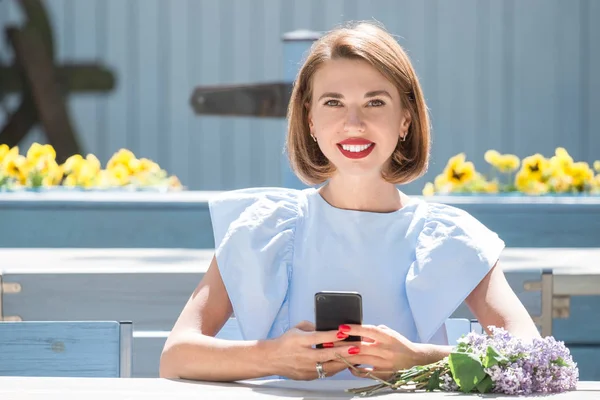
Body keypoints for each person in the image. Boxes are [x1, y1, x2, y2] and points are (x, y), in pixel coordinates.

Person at [159, 21, 540, 382]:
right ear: (309, 119)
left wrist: (418, 360)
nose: (354, 123)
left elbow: (532, 354)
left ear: (406, 118)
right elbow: (176, 355)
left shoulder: (449, 236)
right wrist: (271, 357)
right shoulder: (263, 225)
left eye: (374, 103)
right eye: (333, 103)